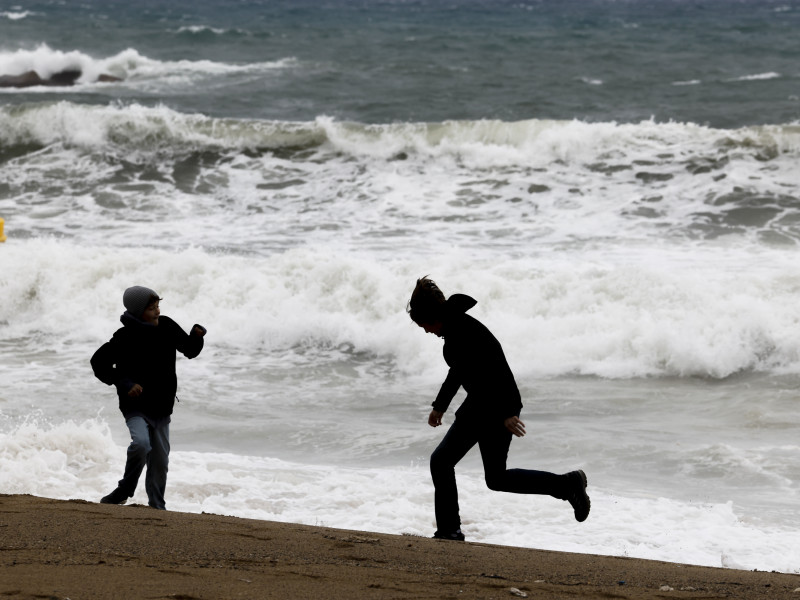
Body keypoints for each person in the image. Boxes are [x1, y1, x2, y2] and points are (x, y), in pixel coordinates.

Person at [407, 276, 590, 541]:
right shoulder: (457, 328)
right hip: (487, 402)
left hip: (492, 402)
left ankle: (450, 530)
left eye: (424, 323)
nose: (425, 330)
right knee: (496, 478)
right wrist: (441, 406)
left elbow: (494, 372)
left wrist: (504, 413)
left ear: (434, 315)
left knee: (442, 461)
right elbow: (462, 372)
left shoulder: (462, 331)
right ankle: (567, 485)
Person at [91, 286, 206, 510]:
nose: (157, 312)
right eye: (151, 308)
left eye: (158, 306)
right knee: (141, 444)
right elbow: (99, 363)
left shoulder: (167, 326)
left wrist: (196, 336)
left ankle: (157, 507)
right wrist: (124, 383)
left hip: (162, 406)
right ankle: (124, 489)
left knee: (160, 462)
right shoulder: (124, 337)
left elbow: (189, 350)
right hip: (136, 405)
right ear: (136, 312)